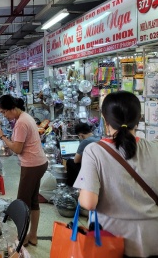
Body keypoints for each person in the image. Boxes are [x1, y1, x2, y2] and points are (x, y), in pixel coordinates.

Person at [75, 91, 158, 258]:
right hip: (152, 239)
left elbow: (88, 202)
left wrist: (81, 192)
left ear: (105, 121)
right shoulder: (154, 148)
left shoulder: (94, 151)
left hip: (110, 240)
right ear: (139, 119)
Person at [0, 95, 48, 247]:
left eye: (4, 112)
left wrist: (3, 137)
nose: (4, 116)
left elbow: (17, 149)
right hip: (39, 162)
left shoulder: (21, 123)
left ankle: (22, 238)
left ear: (12, 109)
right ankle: (32, 235)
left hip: (32, 165)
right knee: (33, 201)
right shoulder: (26, 117)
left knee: (22, 203)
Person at [65, 122, 99, 186]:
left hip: (90, 169)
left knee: (70, 162)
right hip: (98, 166)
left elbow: (76, 160)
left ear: (81, 135)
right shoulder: (98, 138)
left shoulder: (85, 141)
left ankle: (71, 186)